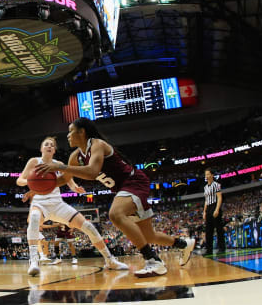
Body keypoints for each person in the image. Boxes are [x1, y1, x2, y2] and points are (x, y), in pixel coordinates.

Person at [34, 118, 195, 277]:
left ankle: (153, 261)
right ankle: (184, 244)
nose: (68, 135)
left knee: (115, 214)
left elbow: (92, 172)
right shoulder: (75, 157)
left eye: (70, 131)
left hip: (134, 183)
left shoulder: (97, 145)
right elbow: (64, 179)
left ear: (82, 132)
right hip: (122, 190)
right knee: (148, 236)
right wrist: (37, 188)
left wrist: (59, 166)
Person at [19, 136, 128, 277]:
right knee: (33, 218)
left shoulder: (58, 164)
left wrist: (75, 188)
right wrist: (32, 181)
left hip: (58, 204)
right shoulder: (34, 161)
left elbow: (68, 179)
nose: (49, 146)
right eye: (46, 144)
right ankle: (34, 261)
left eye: (52, 145)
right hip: (40, 203)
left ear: (54, 150)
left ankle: (110, 260)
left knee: (88, 226)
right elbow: (19, 180)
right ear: (41, 148)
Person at [203, 169, 225, 255]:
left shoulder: (216, 185)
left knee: (219, 229)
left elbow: (219, 197)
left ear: (212, 175)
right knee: (208, 230)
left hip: (215, 206)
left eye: (208, 174)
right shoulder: (205, 187)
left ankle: (221, 248)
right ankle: (209, 250)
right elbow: (206, 200)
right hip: (208, 207)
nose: (207, 176)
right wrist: (204, 211)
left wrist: (217, 209)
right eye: (206, 174)